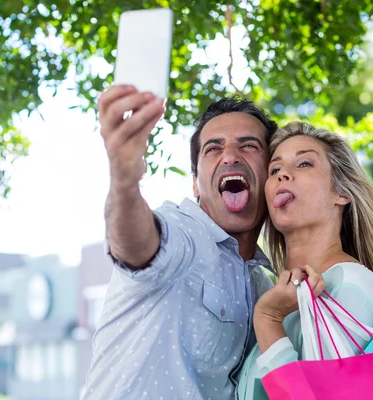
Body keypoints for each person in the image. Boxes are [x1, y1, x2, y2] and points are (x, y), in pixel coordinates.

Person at [82, 85, 278, 400]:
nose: (229, 155)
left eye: (249, 146)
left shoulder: (263, 288)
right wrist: (124, 180)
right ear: (195, 184)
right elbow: (137, 248)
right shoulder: (185, 232)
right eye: (213, 148)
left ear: (271, 175)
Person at [236, 121, 373, 399]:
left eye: (304, 164)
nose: (283, 174)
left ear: (341, 192)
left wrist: (268, 320)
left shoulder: (350, 284)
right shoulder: (280, 296)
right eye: (275, 170)